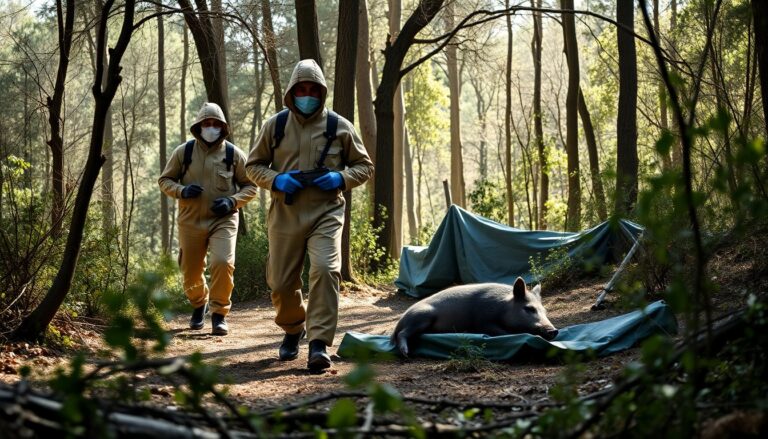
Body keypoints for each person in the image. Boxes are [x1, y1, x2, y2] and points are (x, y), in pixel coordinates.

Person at [246, 59, 374, 371]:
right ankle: (293, 328)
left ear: (322, 92)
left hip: (326, 212)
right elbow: (252, 166)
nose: (307, 95)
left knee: (327, 269)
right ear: (291, 92)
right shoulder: (274, 126)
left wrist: (340, 178)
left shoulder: (339, 126)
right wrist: (276, 179)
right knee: (280, 282)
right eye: (301, 89)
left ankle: (319, 345)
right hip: (285, 212)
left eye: (312, 90)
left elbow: (365, 166)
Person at [159, 102, 258, 336]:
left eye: (215, 124)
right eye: (206, 124)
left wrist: (232, 201)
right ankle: (198, 304)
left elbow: (251, 186)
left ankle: (219, 314)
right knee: (190, 270)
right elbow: (165, 180)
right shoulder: (184, 152)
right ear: (198, 127)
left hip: (223, 220)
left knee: (223, 263)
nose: (211, 128)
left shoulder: (234, 154)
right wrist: (182, 190)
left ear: (223, 127)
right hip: (190, 220)